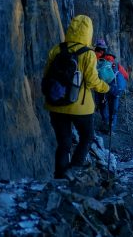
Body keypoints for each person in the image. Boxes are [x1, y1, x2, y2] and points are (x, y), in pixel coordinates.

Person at [41, 15, 109, 179]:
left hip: (56, 105)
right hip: (80, 107)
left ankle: (60, 176)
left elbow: (46, 77)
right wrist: (105, 87)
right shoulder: (88, 54)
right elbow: (92, 81)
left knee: (63, 144)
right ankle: (74, 168)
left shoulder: (57, 50)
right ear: (88, 32)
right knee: (87, 137)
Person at [94, 39, 129, 133]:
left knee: (102, 105)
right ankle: (111, 128)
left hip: (103, 88)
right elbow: (126, 75)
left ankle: (105, 122)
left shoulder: (96, 60)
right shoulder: (115, 63)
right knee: (113, 108)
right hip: (116, 87)